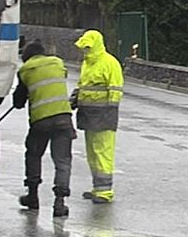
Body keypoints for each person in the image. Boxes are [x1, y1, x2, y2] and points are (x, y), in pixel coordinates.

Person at [12, 40, 74, 218]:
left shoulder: (25, 70)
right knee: (62, 161)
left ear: (26, 56)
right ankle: (59, 204)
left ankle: (33, 197)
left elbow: (18, 102)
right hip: (63, 118)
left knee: (33, 154)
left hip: (40, 121)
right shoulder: (58, 63)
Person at [72, 30, 123, 203]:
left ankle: (105, 192)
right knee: (92, 153)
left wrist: (110, 113)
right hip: (88, 115)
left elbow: (115, 90)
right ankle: (97, 187)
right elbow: (82, 85)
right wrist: (73, 101)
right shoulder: (87, 63)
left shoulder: (110, 63)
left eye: (87, 47)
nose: (85, 51)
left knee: (103, 153)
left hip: (103, 116)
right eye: (83, 48)